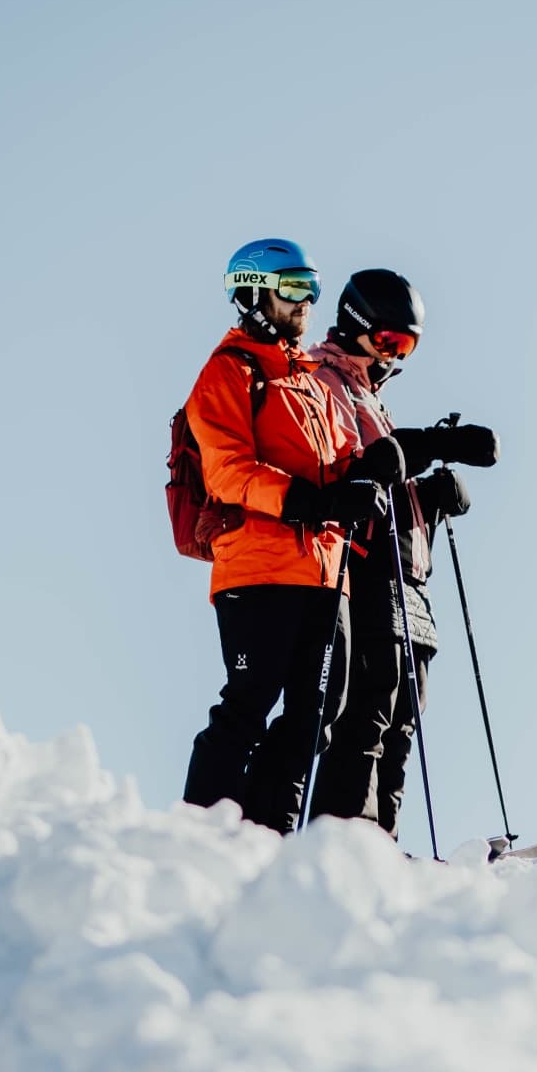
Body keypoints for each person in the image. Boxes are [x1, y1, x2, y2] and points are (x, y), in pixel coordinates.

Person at [180, 239, 402, 833]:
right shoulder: (230, 370)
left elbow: (341, 458)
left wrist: (373, 468)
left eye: (312, 288)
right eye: (293, 288)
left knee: (316, 717)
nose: (307, 302)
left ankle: (267, 836)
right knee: (249, 703)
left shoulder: (306, 378)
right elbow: (227, 469)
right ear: (253, 295)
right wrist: (312, 500)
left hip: (326, 572)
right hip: (259, 567)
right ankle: (200, 835)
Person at [303, 268, 500, 841]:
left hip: (410, 570)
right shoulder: (323, 381)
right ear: (357, 326)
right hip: (363, 565)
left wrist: (432, 498)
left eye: (406, 346)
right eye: (388, 341)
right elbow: (353, 465)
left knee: (404, 720)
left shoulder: (370, 396)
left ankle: (382, 839)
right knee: (369, 708)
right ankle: (346, 838)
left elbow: (389, 472)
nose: (395, 355)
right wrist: (431, 444)